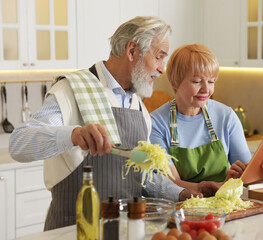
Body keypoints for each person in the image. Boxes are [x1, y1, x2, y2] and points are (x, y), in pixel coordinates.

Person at [9, 16, 200, 231]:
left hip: (126, 231)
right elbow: (18, 144)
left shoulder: (138, 108)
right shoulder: (71, 89)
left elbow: (142, 177)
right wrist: (72, 135)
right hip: (72, 231)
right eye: (159, 57)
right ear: (132, 51)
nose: (162, 69)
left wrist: (185, 193)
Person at [150, 44, 263, 193]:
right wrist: (209, 188)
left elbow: (247, 178)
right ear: (175, 82)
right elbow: (171, 183)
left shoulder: (226, 116)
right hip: (180, 208)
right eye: (197, 81)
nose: (206, 90)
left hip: (224, 205)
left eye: (211, 81)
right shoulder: (156, 123)